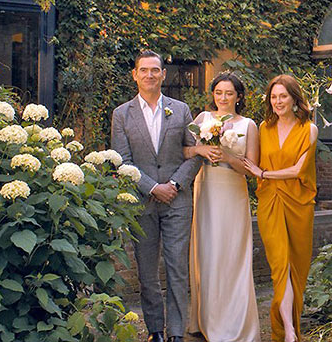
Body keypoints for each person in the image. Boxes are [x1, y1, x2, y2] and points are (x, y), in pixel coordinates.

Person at [110, 50, 202, 342]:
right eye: (144, 70)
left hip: (177, 201)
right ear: (135, 75)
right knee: (147, 272)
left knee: (177, 269)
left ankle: (176, 333)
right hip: (142, 203)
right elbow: (122, 161)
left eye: (155, 70)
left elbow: (195, 153)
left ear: (163, 74)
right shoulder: (121, 114)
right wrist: (152, 187)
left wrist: (174, 184)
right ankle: (155, 331)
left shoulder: (182, 109)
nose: (150, 75)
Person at [183, 72, 261, 341]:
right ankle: (204, 320)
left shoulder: (249, 125)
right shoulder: (203, 119)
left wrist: (227, 157)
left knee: (231, 255)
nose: (223, 98)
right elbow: (184, 150)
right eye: (219, 93)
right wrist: (201, 151)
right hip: (205, 191)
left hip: (233, 193)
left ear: (238, 96)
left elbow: (252, 169)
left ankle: (234, 324)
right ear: (213, 95)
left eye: (229, 93)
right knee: (207, 253)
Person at [243, 75, 318, 342]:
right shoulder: (264, 128)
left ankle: (290, 327)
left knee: (296, 267)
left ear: (294, 98)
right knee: (279, 265)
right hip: (270, 202)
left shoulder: (308, 129)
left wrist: (264, 174)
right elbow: (250, 163)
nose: (277, 102)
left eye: (282, 96)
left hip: (299, 205)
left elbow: (299, 170)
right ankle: (288, 330)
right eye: (273, 97)